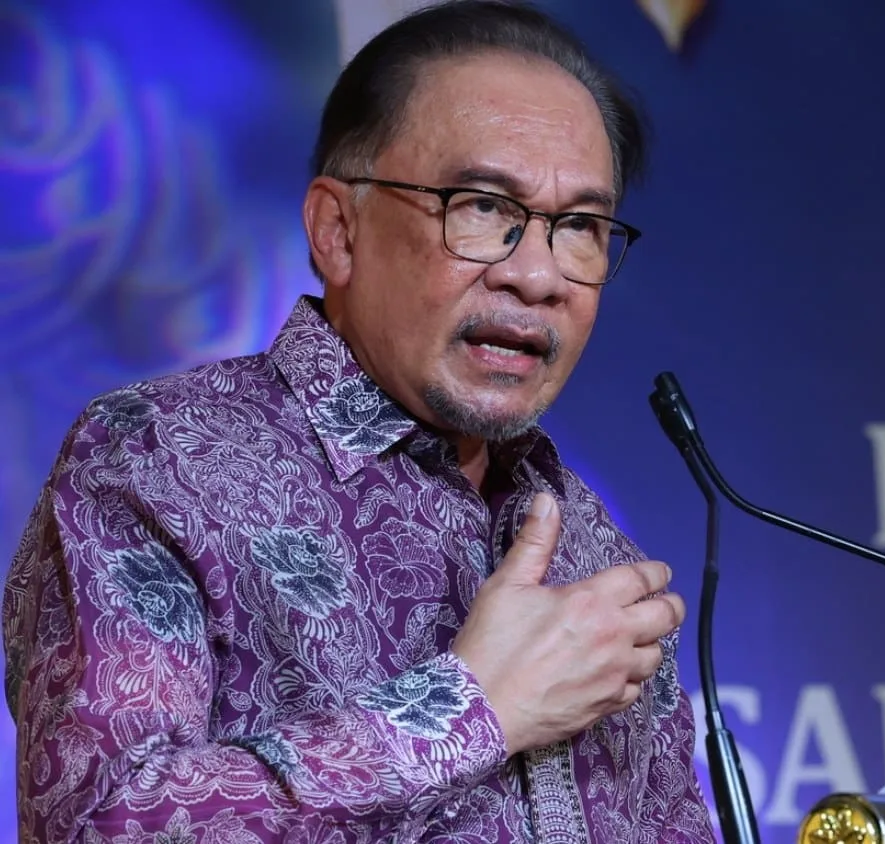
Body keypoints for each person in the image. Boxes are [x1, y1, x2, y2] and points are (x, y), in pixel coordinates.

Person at [2, 1, 716, 841]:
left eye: (581, 226)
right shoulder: (156, 460)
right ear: (338, 232)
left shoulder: (597, 560)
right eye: (484, 207)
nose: (538, 275)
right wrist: (471, 709)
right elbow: (100, 823)